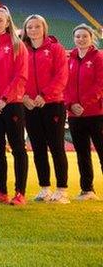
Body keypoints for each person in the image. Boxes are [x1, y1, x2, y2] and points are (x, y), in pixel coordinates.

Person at [22, 14, 70, 203]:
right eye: (30, 27)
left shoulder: (56, 48)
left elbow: (61, 76)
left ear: (44, 28)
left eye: (37, 26)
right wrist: (24, 96)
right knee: (38, 148)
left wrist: (45, 95)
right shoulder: (22, 50)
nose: (33, 30)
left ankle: (62, 189)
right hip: (30, 105)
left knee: (57, 147)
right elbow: (19, 75)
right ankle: (44, 188)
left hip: (52, 105)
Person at [0, 5, 29, 206]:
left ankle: (20, 191)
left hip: (11, 104)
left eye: (0, 20)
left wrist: (3, 100)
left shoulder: (17, 45)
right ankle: (1, 190)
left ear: (7, 22)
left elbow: (20, 77)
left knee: (18, 148)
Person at [65, 24, 103, 201]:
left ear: (91, 38)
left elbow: (99, 85)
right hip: (75, 115)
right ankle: (87, 190)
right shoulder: (70, 59)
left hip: (96, 114)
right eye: (78, 36)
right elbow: (64, 86)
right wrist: (71, 105)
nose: (81, 39)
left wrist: (83, 103)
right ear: (74, 39)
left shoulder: (98, 57)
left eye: (84, 36)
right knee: (82, 153)